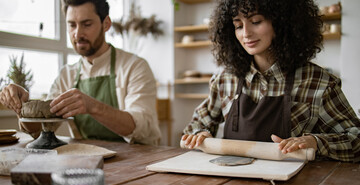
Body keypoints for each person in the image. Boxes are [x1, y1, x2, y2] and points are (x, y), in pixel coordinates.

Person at [182, 0, 360, 161]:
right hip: (231, 184)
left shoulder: (318, 81)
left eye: (256, 22)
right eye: (238, 25)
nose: (246, 33)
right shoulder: (225, 79)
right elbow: (197, 124)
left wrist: (315, 141)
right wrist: (200, 133)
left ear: (283, 22)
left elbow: (355, 139)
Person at [0, 0, 161, 145]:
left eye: (86, 24)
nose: (77, 34)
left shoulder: (135, 66)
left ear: (106, 24)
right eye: (72, 25)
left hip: (138, 161)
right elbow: (40, 130)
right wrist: (22, 106)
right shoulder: (66, 75)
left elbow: (142, 129)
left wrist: (93, 107)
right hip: (86, 161)